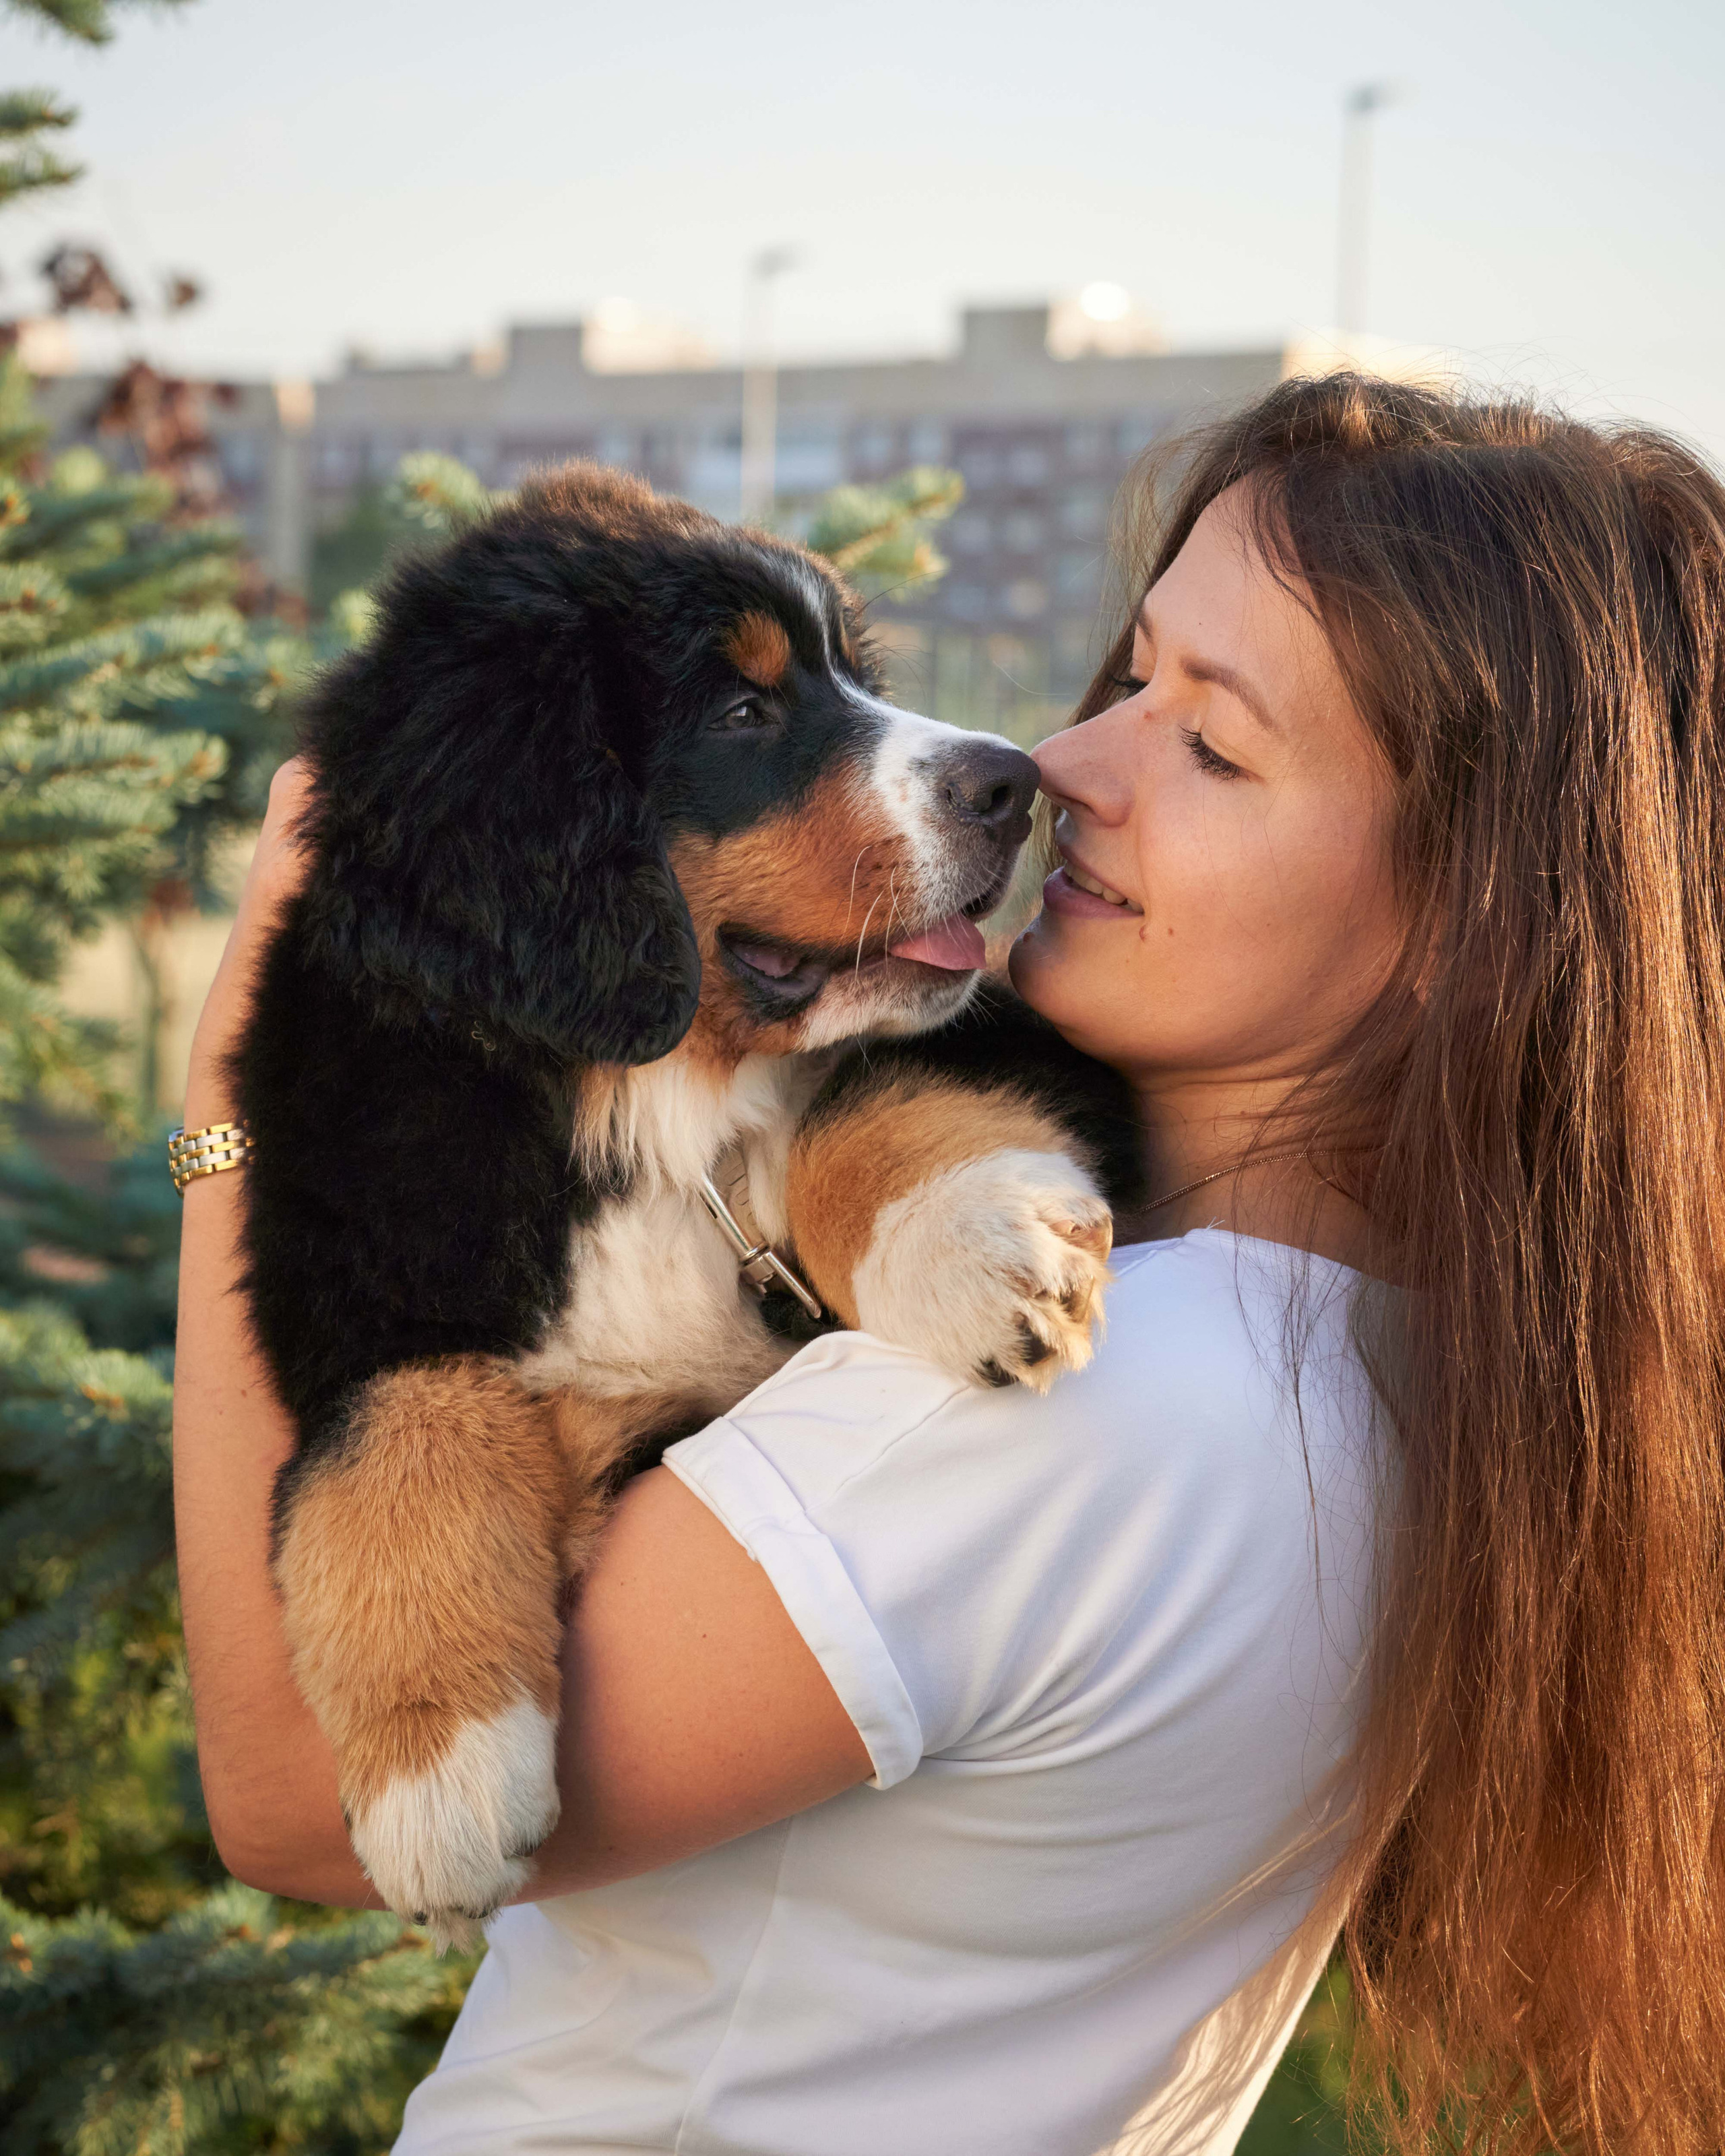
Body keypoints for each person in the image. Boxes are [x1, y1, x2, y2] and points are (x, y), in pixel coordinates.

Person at [173, 372, 1725, 2156]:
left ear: (1485, 926)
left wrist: (238, 1102)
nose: (1064, 765)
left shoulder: (1064, 1408)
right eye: (1138, 678)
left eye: (1213, 745)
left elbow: (299, 1796)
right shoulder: (1388, 1368)